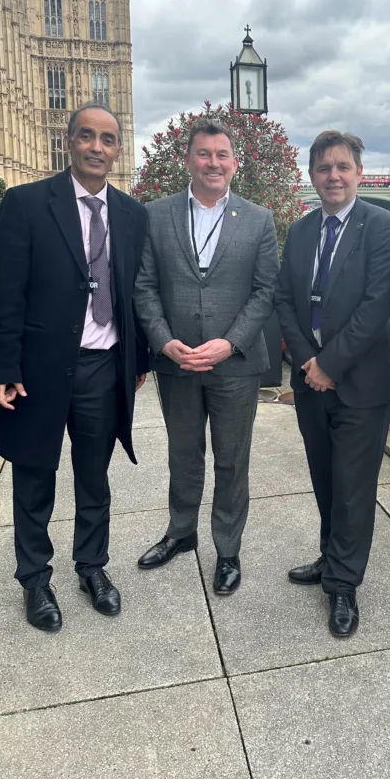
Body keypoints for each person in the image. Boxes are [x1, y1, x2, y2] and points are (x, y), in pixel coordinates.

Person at [0, 105, 149, 632]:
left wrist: (138, 361)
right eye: (86, 137)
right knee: (34, 476)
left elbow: (135, 294)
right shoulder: (28, 204)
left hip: (104, 367)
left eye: (107, 139)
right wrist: (3, 367)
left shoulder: (131, 213)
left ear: (117, 149)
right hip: (38, 369)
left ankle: (92, 567)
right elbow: (5, 295)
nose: (96, 147)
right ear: (69, 142)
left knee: (94, 476)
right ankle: (34, 579)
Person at [134, 119, 278, 594]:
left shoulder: (258, 219)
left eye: (222, 155)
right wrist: (163, 340)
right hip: (176, 362)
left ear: (235, 163)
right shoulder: (155, 215)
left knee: (232, 460)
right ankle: (181, 533)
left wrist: (230, 343)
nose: (213, 163)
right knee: (183, 454)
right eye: (203, 154)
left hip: (234, 365)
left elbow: (264, 292)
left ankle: (228, 549)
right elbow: (145, 286)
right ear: (188, 159)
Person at [275, 130, 390, 637]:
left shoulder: (384, 228)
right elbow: (286, 300)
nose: (333, 176)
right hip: (311, 381)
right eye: (324, 168)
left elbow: (377, 309)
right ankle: (331, 559)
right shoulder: (303, 230)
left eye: (343, 167)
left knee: (353, 487)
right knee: (325, 478)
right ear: (311, 175)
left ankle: (344, 586)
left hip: (362, 383)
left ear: (358, 173)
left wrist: (330, 364)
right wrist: (308, 362)